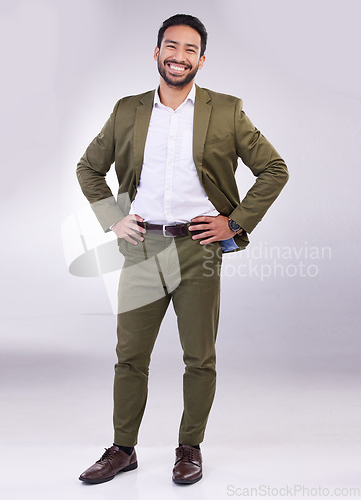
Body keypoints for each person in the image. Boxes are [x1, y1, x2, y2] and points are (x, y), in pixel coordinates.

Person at [76, 13, 289, 485]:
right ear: (156, 53)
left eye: (190, 49)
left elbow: (274, 168)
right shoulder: (128, 109)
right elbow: (88, 168)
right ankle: (122, 448)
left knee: (199, 356)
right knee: (130, 355)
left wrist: (233, 223)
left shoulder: (226, 109)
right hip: (142, 247)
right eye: (171, 47)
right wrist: (114, 218)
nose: (179, 56)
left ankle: (189, 447)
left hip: (198, 248)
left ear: (201, 59)